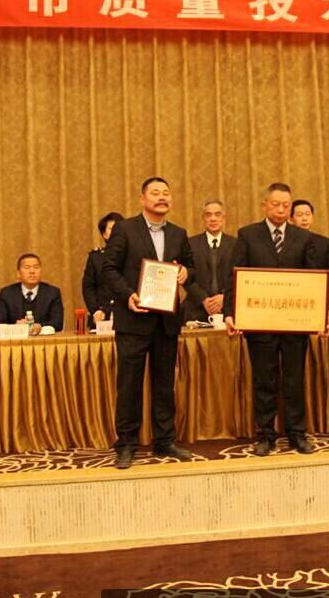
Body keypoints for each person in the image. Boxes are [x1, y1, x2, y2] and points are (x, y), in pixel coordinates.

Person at [102, 177, 196, 469]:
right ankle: (126, 444)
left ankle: (164, 441)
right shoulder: (125, 229)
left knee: (164, 385)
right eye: (155, 193)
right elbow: (109, 269)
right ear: (143, 199)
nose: (162, 197)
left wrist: (186, 274)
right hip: (133, 320)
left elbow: (191, 267)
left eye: (166, 193)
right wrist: (127, 295)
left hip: (166, 322)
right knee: (129, 385)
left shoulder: (179, 233)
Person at [224, 182, 318, 456]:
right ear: (264, 205)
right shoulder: (248, 235)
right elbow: (235, 275)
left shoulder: (303, 238)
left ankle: (297, 433)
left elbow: (313, 280)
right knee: (264, 380)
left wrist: (318, 316)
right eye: (275, 204)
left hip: (294, 324)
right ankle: (265, 434)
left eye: (285, 205)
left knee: (294, 380)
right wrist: (230, 312)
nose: (280, 209)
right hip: (260, 322)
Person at [183, 199, 237, 323]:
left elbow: (238, 276)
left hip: (228, 310)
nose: (213, 219)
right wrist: (203, 299)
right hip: (195, 309)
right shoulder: (190, 244)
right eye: (208, 215)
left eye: (217, 215)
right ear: (203, 218)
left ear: (223, 218)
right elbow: (186, 276)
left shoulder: (236, 244)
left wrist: (224, 297)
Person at [0, 253, 64, 334]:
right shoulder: (7, 293)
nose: (32, 271)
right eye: (27, 267)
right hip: (16, 340)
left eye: (36, 267)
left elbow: (58, 323)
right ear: (18, 273)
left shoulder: (52, 293)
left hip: (43, 339)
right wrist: (16, 327)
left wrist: (39, 327)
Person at [290, 199, 329, 307]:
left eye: (308, 214)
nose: (304, 218)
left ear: (312, 217)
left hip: (322, 297)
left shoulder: (324, 242)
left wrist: (322, 289)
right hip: (294, 299)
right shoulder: (286, 243)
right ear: (291, 219)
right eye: (299, 215)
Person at [82, 211, 123, 327]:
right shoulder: (96, 257)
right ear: (104, 234)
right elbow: (88, 287)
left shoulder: (134, 256)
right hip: (102, 315)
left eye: (119, 228)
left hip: (128, 316)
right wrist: (95, 310)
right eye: (112, 229)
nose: (116, 232)